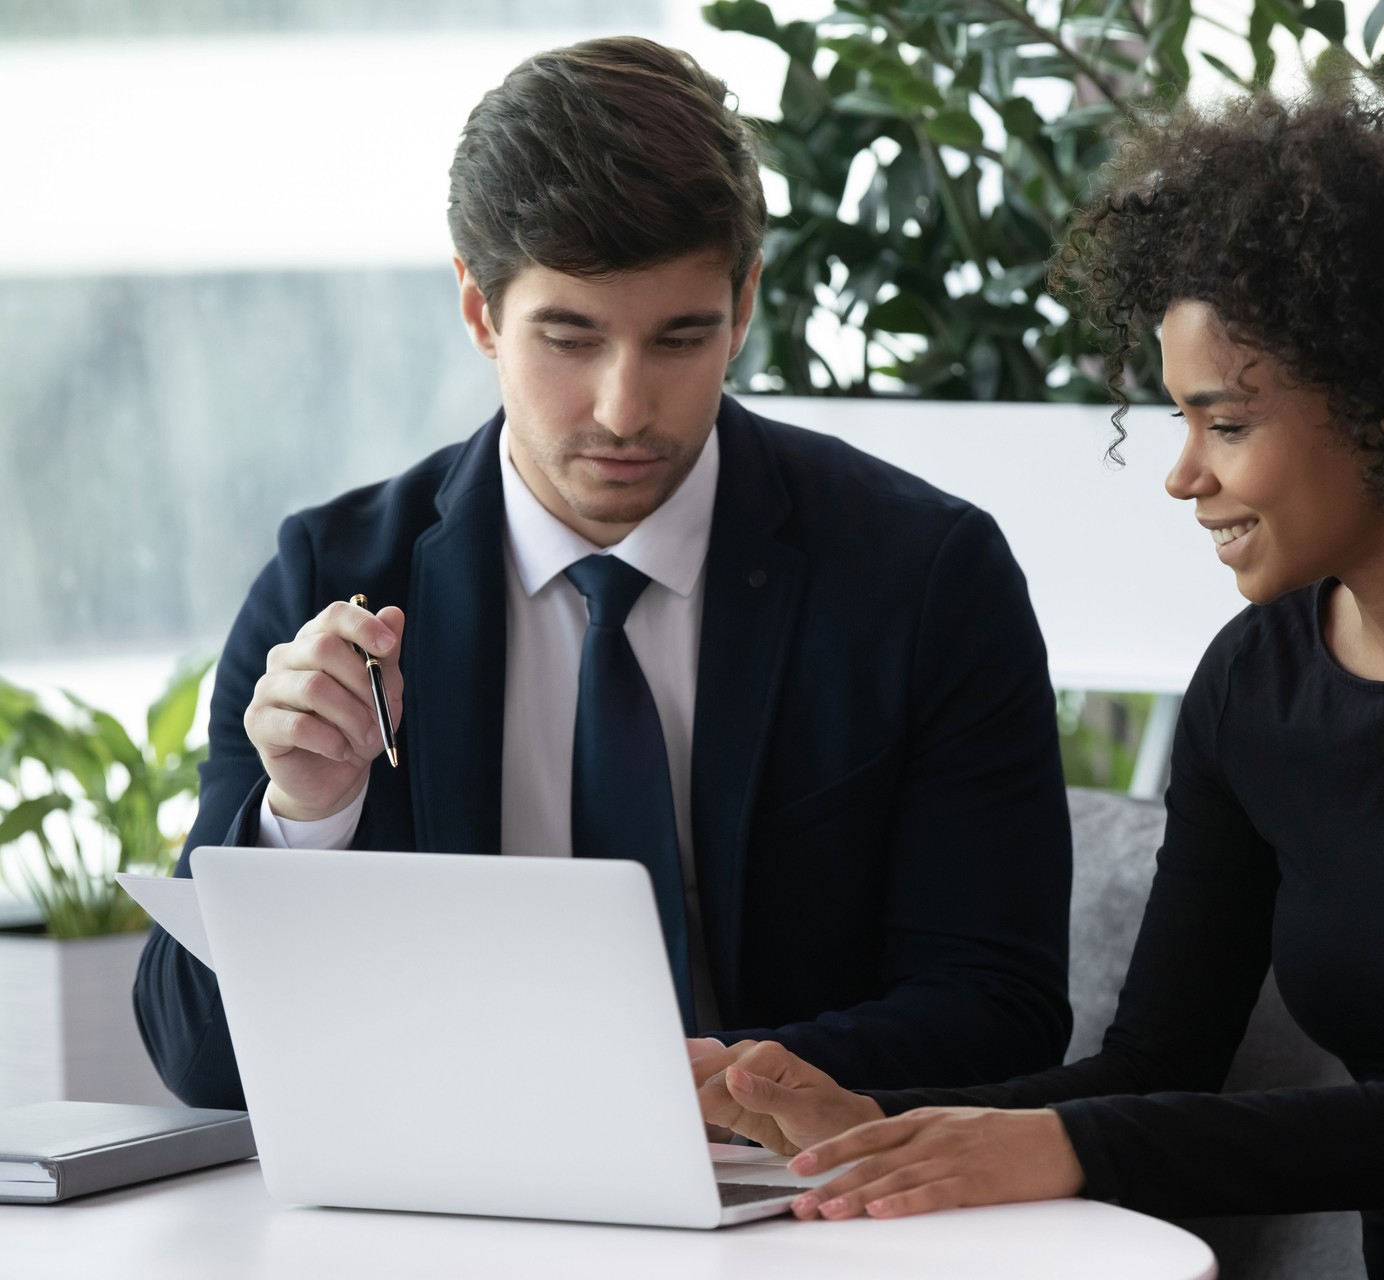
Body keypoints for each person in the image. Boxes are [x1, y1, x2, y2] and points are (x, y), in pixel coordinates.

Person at [690, 95, 1384, 1278]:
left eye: (1226, 422)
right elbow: (1154, 1068)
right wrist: (869, 1120)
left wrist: (1060, 1145)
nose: (1184, 474)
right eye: (1180, 419)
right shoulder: (1255, 680)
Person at [132, 36, 1072, 1111]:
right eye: (570, 339)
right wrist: (301, 813)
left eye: (681, 339)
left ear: (746, 305)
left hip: (804, 1209)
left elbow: (1004, 1008)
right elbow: (200, 1060)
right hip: (448, 1203)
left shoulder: (923, 578)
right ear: (481, 310)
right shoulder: (331, 578)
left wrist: (700, 1083)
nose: (626, 408)